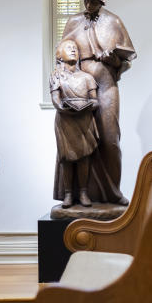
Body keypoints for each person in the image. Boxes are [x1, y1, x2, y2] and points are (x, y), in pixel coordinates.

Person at [61, 0, 136, 205]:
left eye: (93, 1)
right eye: (86, 0)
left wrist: (113, 58)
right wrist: (62, 79)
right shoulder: (73, 22)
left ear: (101, 0)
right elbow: (62, 53)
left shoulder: (113, 22)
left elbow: (127, 58)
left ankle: (113, 192)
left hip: (105, 86)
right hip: (79, 86)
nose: (88, 5)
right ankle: (77, 194)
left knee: (110, 138)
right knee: (79, 140)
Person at [50, 38, 100, 208]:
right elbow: (56, 99)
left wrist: (86, 106)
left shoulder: (87, 78)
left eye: (75, 48)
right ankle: (68, 194)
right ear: (60, 55)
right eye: (68, 48)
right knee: (67, 158)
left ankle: (84, 192)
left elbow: (95, 102)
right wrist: (64, 107)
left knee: (84, 157)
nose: (73, 50)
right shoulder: (56, 76)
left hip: (84, 120)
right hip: (65, 121)